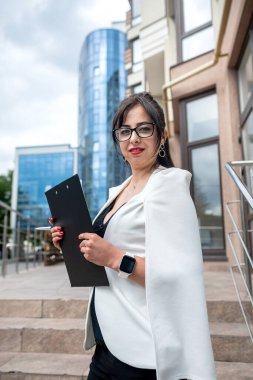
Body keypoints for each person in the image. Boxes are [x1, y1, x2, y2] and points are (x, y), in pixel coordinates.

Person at [50, 92, 216, 380]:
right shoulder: (118, 191)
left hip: (141, 350)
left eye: (144, 128)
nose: (134, 138)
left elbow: (180, 277)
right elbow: (105, 250)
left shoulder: (168, 186)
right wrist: (72, 242)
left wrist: (115, 258)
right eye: (125, 131)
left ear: (161, 136)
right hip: (108, 343)